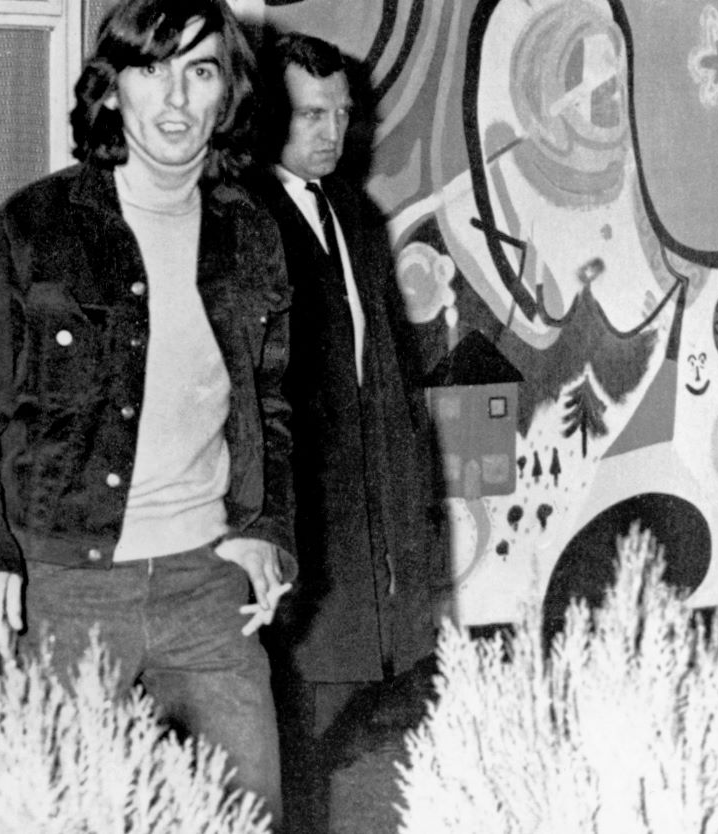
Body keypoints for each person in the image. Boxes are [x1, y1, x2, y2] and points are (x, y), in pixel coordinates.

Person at [0, 0, 295, 822]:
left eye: (200, 71)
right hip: (68, 589)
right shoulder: (34, 228)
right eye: (149, 69)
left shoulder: (252, 232)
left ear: (228, 93)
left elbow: (270, 405)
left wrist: (265, 531)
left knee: (248, 817)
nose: (174, 100)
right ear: (111, 87)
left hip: (208, 586)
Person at [245, 30, 443, 803]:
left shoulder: (354, 215)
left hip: (365, 519)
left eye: (341, 114)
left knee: (340, 719)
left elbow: (385, 380)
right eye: (310, 115)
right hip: (289, 519)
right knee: (288, 724)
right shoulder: (243, 219)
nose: (332, 133)